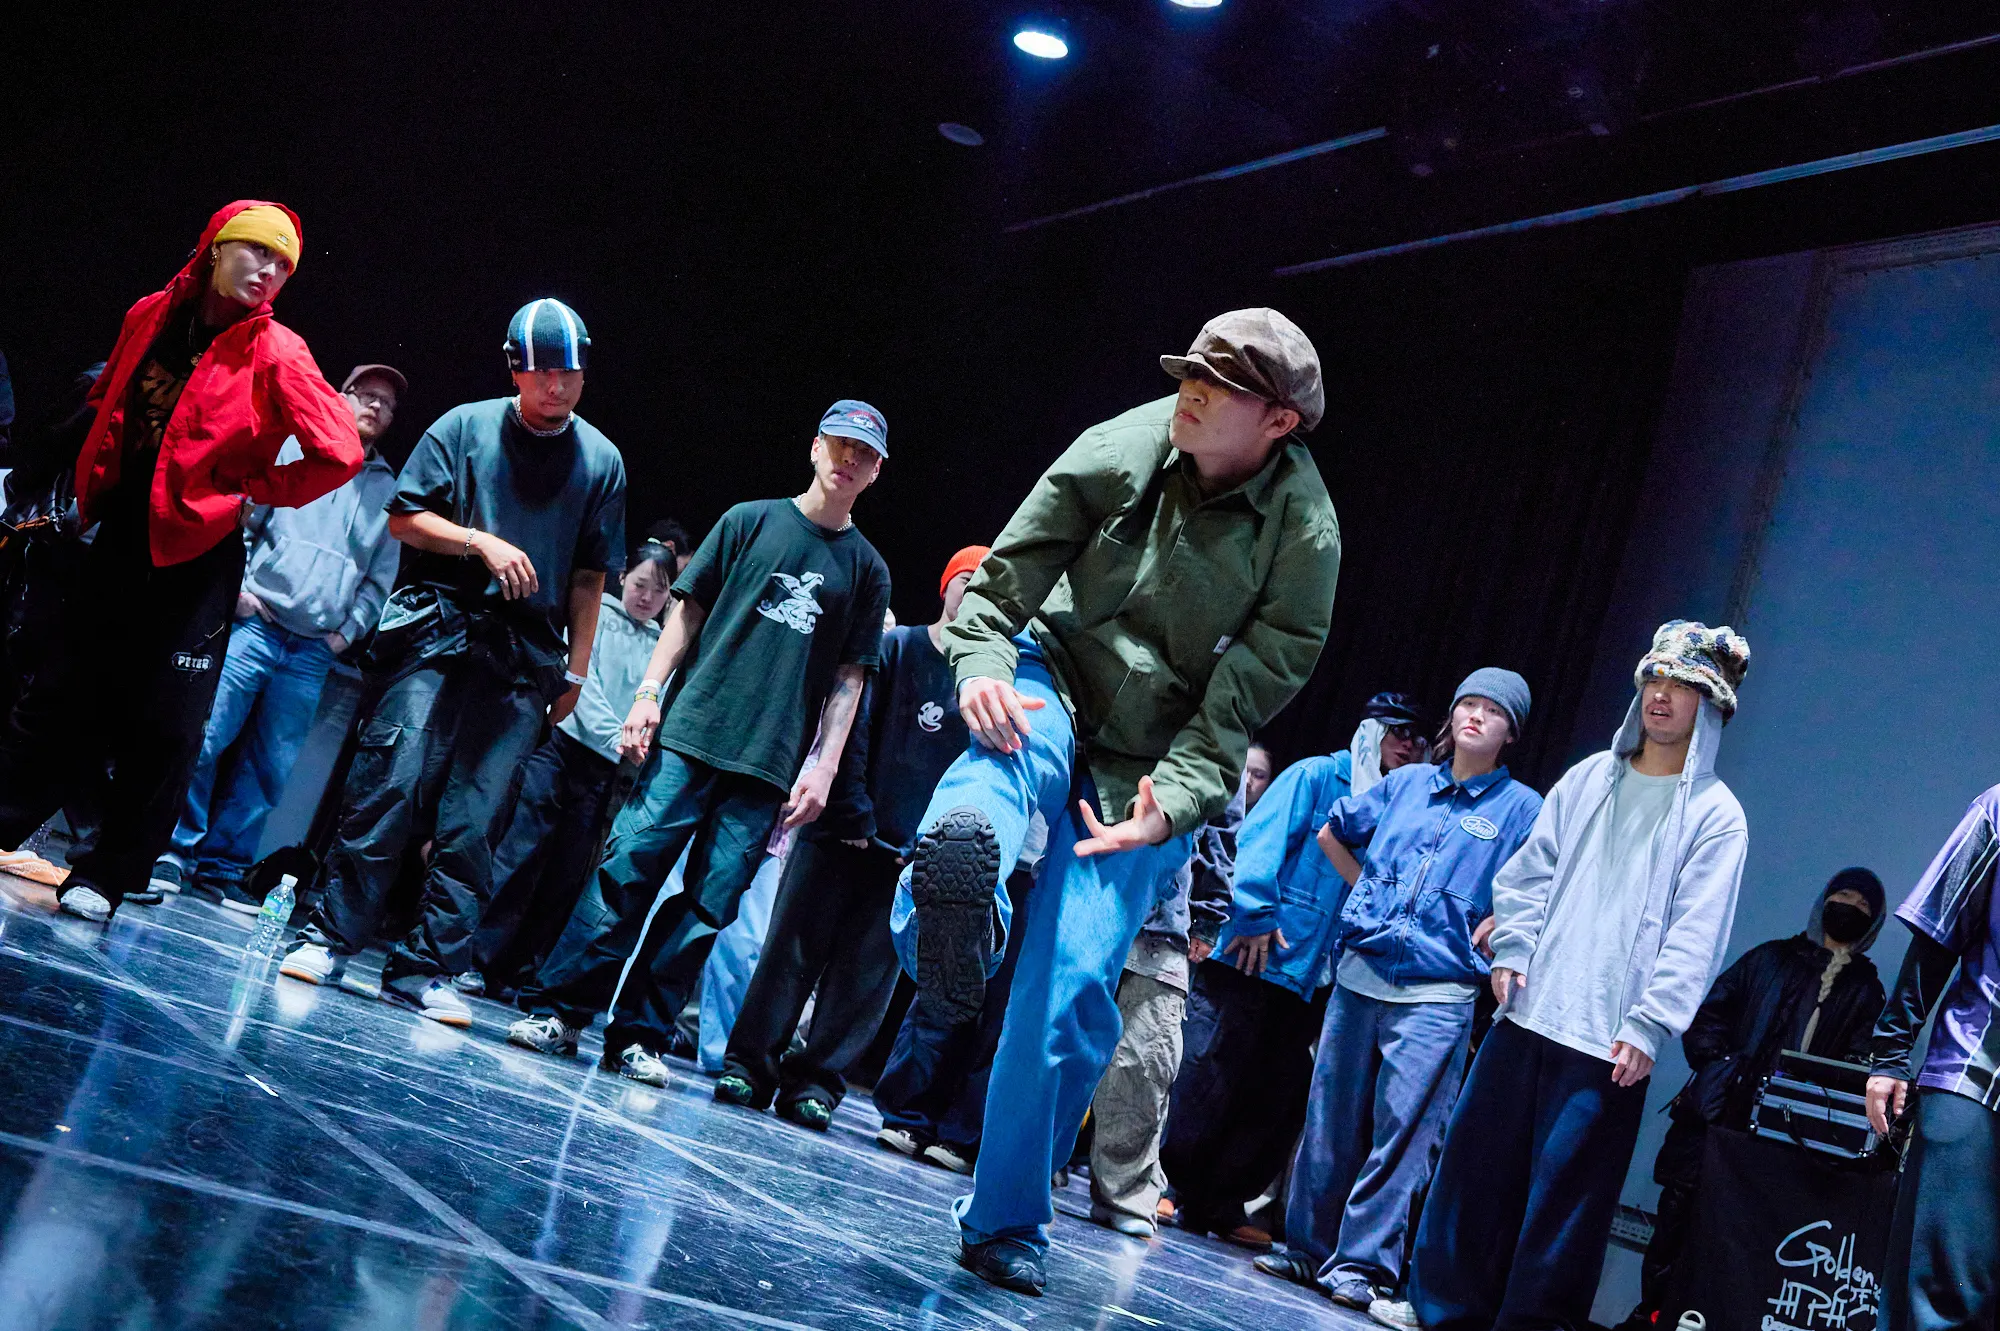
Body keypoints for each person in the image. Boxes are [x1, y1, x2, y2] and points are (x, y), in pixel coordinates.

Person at [892, 308, 1342, 1295]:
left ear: (1278, 422)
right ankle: (942, 925)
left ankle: (1004, 1218)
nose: (1191, 393)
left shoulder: (1304, 537)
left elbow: (1238, 707)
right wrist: (978, 663)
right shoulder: (1121, 445)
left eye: (1218, 386)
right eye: (1189, 373)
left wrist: (1170, 807)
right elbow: (1005, 580)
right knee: (994, 770)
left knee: (1070, 998)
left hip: (1151, 754)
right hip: (1048, 668)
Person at [507, 400, 891, 1087]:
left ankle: (639, 1036)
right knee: (625, 870)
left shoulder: (867, 570)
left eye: (864, 453)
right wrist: (648, 694)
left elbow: (849, 679)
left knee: (707, 908)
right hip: (691, 734)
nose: (849, 459)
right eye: (840, 444)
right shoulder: (749, 520)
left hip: (768, 765)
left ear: (876, 472)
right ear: (815, 447)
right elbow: (686, 614)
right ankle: (560, 1010)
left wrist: (825, 768)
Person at [0, 201, 362, 922]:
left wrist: (259, 485)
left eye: (283, 264)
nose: (269, 271)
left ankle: (109, 872)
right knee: (67, 691)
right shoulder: (152, 315)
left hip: (199, 551)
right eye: (257, 252)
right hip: (122, 532)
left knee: (167, 722)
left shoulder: (277, 351)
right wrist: (86, 488)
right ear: (216, 248)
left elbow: (340, 450)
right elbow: (109, 397)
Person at [1391, 621, 1751, 1331]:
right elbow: (1529, 871)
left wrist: (1650, 1023)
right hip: (1529, 1008)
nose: (1662, 694)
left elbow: (1697, 934)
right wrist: (1513, 948)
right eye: (1655, 678)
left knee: (1564, 1207)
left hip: (1608, 1038)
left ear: (1710, 707)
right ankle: (1442, 1313)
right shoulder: (1591, 776)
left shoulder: (1717, 816)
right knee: (1473, 1174)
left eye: (1682, 686)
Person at [279, 299, 626, 1027]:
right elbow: (404, 518)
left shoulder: (601, 461)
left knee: (478, 818)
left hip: (525, 655)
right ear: (515, 370)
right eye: (543, 372)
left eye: (570, 372)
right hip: (438, 630)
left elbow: (591, 575)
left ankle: (426, 968)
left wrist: (577, 671)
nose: (558, 385)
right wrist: (479, 541)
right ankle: (330, 938)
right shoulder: (465, 427)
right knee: (391, 783)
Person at [1253, 671, 1542, 1310]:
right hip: (1360, 975)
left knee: (1403, 1135)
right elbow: (1333, 831)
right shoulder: (1408, 783)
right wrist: (1365, 894)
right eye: (1467, 703)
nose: (1475, 716)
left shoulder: (1523, 808)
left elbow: (1539, 882)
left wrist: (1504, 921)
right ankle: (1306, 1248)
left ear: (1511, 733)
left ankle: (1362, 1265)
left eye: (1492, 711)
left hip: (1438, 990)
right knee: (1329, 1120)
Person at [716, 546, 989, 1127]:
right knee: (790, 952)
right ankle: (749, 1067)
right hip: (842, 832)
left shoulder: (981, 687)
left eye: (986, 583)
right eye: (966, 578)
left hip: (907, 856)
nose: (973, 590)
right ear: (945, 585)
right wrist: (855, 814)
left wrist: (926, 847)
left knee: (866, 978)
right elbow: (853, 730)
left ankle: (815, 1084)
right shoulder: (899, 646)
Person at [1162, 694, 1429, 1246]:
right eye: (1397, 731)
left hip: (1318, 973)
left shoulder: (1398, 805)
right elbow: (1259, 841)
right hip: (1258, 952)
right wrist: (1256, 913)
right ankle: (1171, 1184)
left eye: (1417, 737)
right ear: (1371, 731)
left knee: (1275, 1089)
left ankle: (1223, 1200)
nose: (1407, 744)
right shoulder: (1318, 776)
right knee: (1212, 1071)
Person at [143, 364, 407, 911]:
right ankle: (173, 850)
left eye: (387, 403)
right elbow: (245, 518)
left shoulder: (389, 491)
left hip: (312, 650)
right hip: (257, 625)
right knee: (206, 737)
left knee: (271, 766)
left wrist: (345, 634)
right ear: (341, 395)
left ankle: (222, 866)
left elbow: (380, 580)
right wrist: (237, 592)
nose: (376, 407)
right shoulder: (297, 450)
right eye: (367, 394)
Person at [1617, 867, 1886, 1330]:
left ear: (1873, 922)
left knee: (1747, 1239)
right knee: (1678, 1223)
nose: (1850, 907)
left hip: (1785, 1143)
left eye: (1863, 905)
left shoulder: (1865, 991)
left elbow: (1857, 1066)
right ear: (1824, 899)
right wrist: (1725, 1066)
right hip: (1715, 1119)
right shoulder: (1769, 958)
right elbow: (1708, 1015)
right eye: (1843, 895)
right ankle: (1652, 1316)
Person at [463, 533, 678, 997]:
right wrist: (620, 737)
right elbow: (583, 686)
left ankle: (521, 973)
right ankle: (477, 959)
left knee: (566, 875)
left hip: (606, 772)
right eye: (640, 585)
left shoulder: (663, 646)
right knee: (519, 856)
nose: (647, 597)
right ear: (623, 578)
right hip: (563, 750)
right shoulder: (597, 617)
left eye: (659, 590)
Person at [1086, 749, 1258, 1237]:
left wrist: (1209, 912)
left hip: (1165, 914)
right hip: (1089, 887)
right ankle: (1024, 1172)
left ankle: (1126, 1193)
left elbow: (1223, 829)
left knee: (1146, 1061)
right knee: (1056, 1044)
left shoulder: (1223, 738)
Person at [1865, 786, 2000, 1331]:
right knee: (1938, 1305)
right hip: (1976, 1077)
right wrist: (1890, 1053)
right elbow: (1937, 934)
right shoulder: (1998, 809)